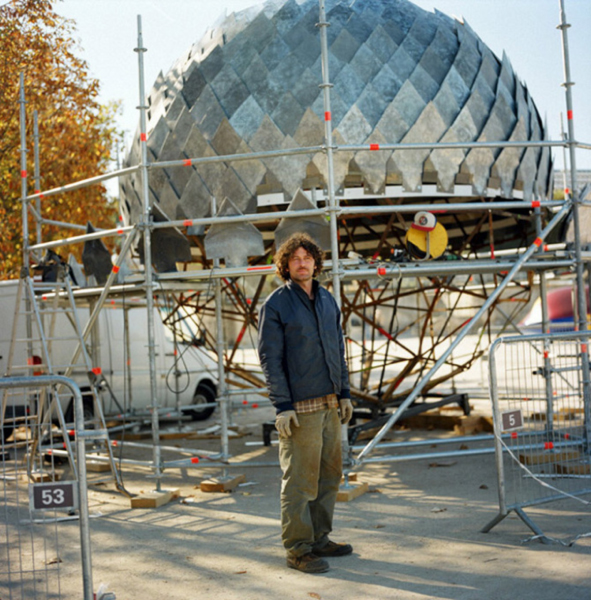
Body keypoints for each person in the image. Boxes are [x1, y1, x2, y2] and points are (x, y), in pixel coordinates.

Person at [257, 233, 354, 574]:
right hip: (300, 408)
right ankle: (298, 549)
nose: (302, 262)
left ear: (316, 262)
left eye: (307, 257)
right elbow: (271, 357)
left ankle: (319, 538)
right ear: (285, 266)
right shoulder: (277, 304)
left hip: (329, 404)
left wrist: (344, 392)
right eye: (294, 258)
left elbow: (337, 350)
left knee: (329, 476)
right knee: (300, 481)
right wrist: (282, 405)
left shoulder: (328, 300)